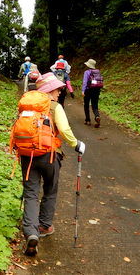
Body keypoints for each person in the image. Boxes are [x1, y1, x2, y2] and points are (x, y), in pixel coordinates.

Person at [22, 72, 86, 256]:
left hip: (28, 155)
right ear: (49, 90)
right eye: (57, 89)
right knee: (50, 190)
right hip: (49, 155)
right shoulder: (55, 106)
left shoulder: (27, 104)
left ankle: (31, 233)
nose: (59, 92)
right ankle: (43, 226)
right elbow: (64, 130)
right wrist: (76, 145)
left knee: (31, 193)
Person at [82, 58, 102, 128]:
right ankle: (97, 116)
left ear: (88, 65)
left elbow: (84, 82)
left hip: (88, 90)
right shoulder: (98, 71)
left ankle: (88, 120)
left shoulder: (87, 72)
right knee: (95, 105)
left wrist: (83, 90)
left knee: (86, 105)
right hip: (96, 90)